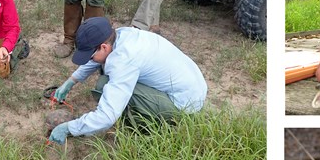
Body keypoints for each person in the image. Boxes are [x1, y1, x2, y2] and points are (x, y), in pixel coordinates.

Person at [46, 17, 208, 145]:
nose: (91, 60)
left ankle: (152, 127)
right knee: (106, 77)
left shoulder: (124, 60)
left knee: (104, 86)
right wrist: (71, 81)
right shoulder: (121, 35)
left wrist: (70, 128)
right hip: (192, 88)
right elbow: (96, 58)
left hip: (184, 106)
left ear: (103, 47)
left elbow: (107, 116)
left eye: (90, 55)